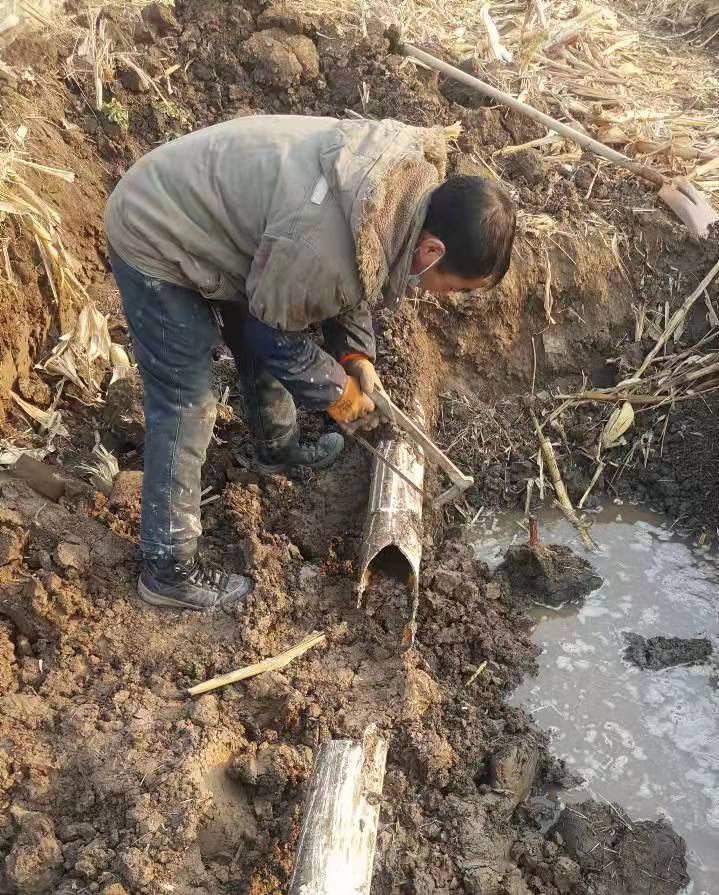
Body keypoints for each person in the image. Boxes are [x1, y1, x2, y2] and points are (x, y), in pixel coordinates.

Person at [105, 115, 516, 611]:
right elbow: (271, 332)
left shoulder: (392, 196)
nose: (444, 296)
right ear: (432, 251)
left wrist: (356, 355)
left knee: (276, 309)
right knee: (186, 400)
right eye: (453, 286)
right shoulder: (321, 247)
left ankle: (276, 450)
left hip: (234, 225)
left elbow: (361, 265)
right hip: (156, 229)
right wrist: (338, 394)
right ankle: (167, 570)